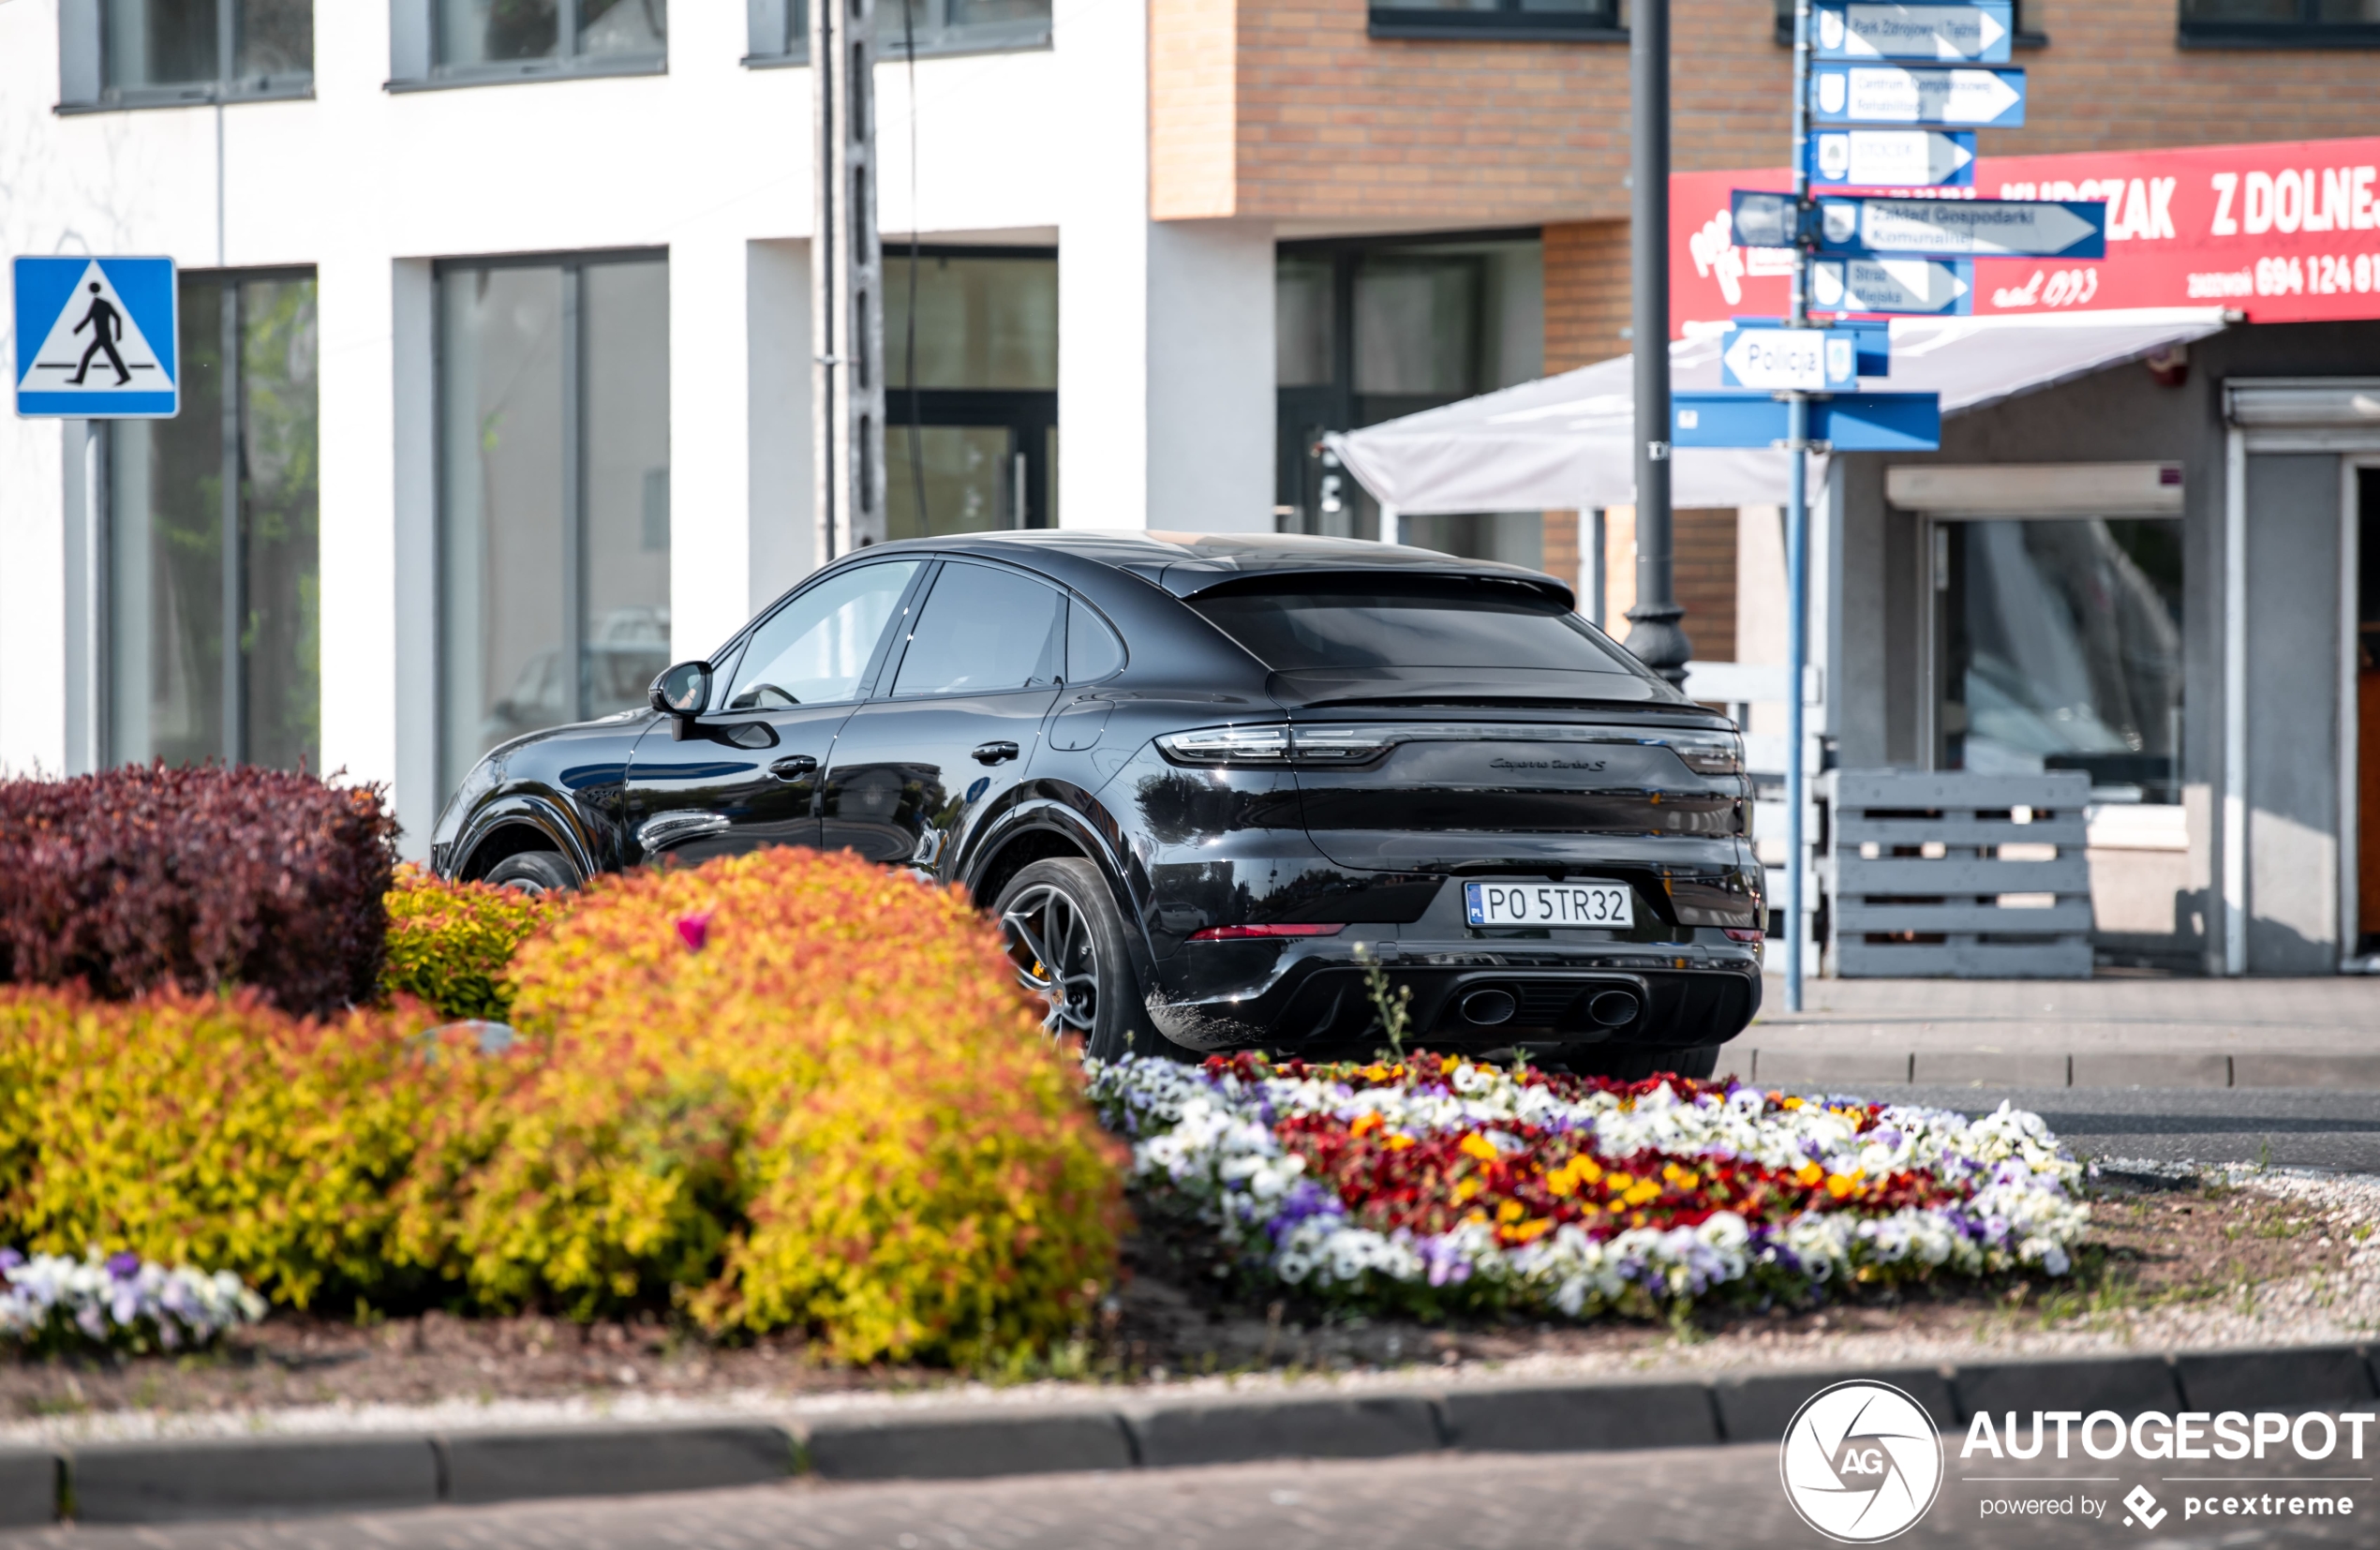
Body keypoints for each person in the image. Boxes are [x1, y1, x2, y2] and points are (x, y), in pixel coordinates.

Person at [67, 281, 130, 387]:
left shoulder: (99, 303)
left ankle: (79, 379)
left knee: (89, 355)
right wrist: (76, 330)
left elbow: (117, 318)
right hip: (102, 336)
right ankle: (125, 376)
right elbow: (89, 319)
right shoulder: (101, 303)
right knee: (111, 357)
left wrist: (119, 335)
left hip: (103, 336)